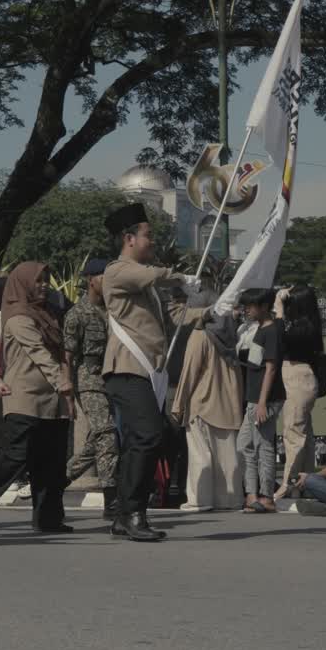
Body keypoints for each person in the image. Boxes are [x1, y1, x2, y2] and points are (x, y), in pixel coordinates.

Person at [101, 203, 215, 542]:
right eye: (148, 235)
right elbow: (153, 275)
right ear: (129, 238)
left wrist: (212, 310)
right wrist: (181, 277)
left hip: (148, 371)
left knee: (143, 440)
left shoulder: (146, 281)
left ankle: (125, 514)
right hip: (126, 368)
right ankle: (132, 511)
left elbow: (176, 315)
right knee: (149, 436)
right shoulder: (118, 271)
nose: (153, 242)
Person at [0, 263, 73, 534]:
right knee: (19, 453)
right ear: (24, 283)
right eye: (38, 280)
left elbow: (60, 352)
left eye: (47, 280)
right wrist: (62, 380)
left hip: (53, 399)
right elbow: (38, 352)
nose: (44, 285)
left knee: (52, 460)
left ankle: (48, 517)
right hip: (25, 396)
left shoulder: (47, 315)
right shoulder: (16, 317)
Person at [63, 258, 120, 519]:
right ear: (91, 280)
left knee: (97, 440)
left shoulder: (114, 311)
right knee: (107, 435)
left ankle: (59, 479)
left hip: (113, 379)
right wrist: (68, 392)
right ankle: (112, 501)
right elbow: (68, 357)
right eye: (103, 277)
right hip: (89, 381)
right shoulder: (77, 314)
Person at [172, 312, 244, 512]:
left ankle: (200, 499)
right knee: (227, 457)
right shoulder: (233, 342)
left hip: (202, 404)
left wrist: (178, 404)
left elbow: (189, 371)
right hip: (229, 407)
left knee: (200, 454)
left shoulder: (201, 336)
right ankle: (229, 500)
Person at [237, 287, 285, 513]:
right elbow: (257, 364)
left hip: (264, 399)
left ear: (264, 306)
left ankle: (266, 497)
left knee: (263, 446)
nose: (246, 309)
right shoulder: (259, 330)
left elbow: (271, 368)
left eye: (250, 305)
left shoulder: (271, 331)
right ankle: (252, 494)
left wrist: (263, 402)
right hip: (254, 397)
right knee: (245, 444)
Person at [274, 285, 324, 500]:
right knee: (305, 435)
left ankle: (288, 483)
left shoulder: (301, 327)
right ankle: (304, 483)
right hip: (303, 376)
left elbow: (279, 336)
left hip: (296, 376)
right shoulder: (310, 324)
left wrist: (278, 309)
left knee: (294, 433)